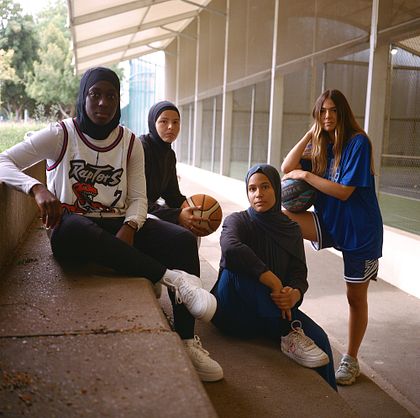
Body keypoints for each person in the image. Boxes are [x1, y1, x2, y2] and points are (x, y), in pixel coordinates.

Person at [0, 67, 223, 382]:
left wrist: (130, 226)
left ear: (119, 101)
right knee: (74, 227)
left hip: (116, 223)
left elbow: (139, 198)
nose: (103, 103)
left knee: (182, 241)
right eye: (95, 94)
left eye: (111, 96)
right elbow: (3, 160)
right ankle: (174, 280)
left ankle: (187, 340)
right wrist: (36, 188)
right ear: (84, 96)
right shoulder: (61, 134)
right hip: (72, 228)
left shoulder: (129, 142)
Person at [281, 89, 383, 386]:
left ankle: (351, 360)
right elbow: (287, 168)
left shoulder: (358, 142)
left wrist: (306, 176)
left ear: (343, 113)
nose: (328, 116)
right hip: (329, 222)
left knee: (355, 298)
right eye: (322, 111)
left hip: (360, 231)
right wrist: (311, 132)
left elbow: (344, 191)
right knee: (281, 221)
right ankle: (284, 291)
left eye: (333, 111)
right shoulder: (320, 145)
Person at [211, 163, 337, 390]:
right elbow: (230, 249)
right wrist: (272, 279)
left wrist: (293, 294)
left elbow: (299, 274)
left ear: (277, 190)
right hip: (233, 312)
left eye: (265, 187)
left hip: (269, 312)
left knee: (320, 339)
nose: (258, 194)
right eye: (252, 189)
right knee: (234, 269)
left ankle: (333, 401)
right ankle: (286, 331)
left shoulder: (291, 229)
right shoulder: (238, 221)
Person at [140, 101, 206, 235]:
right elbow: (135, 199)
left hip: (149, 208)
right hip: (133, 211)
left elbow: (172, 194)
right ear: (153, 123)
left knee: (194, 225)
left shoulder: (169, 154)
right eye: (164, 121)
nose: (171, 127)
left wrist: (194, 207)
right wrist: (177, 215)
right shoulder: (141, 148)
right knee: (183, 236)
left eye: (176, 122)